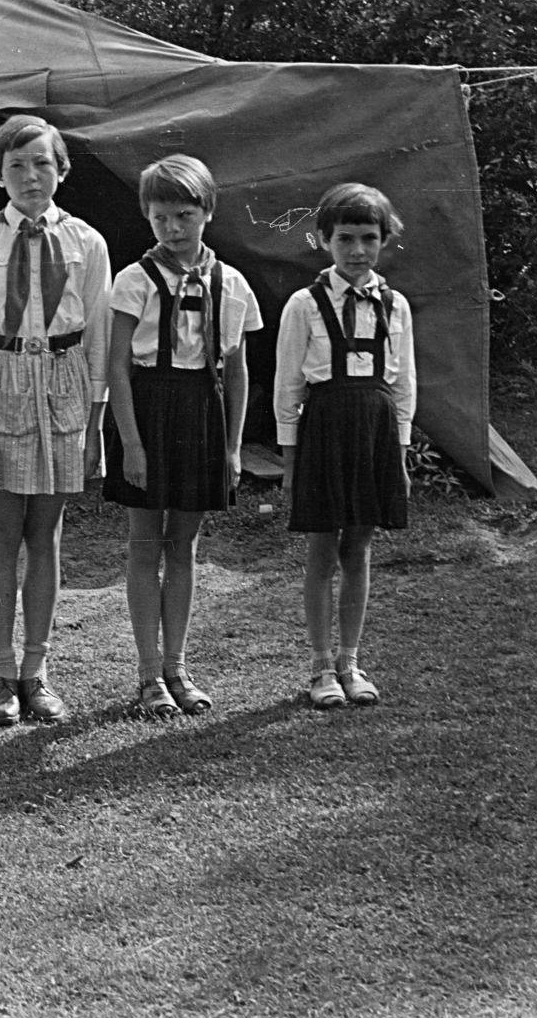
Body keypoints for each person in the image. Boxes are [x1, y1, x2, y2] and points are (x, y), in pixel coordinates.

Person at [0, 115, 109, 727]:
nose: (29, 176)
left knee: (46, 532)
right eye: (16, 166)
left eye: (42, 163)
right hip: (2, 377)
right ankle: (0, 672)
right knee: (2, 527)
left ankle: (36, 671)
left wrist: (97, 418)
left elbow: (99, 332)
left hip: (65, 377)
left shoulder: (87, 242)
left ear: (62, 170)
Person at [104, 154, 260, 717]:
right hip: (149, 407)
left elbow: (237, 368)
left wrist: (234, 446)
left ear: (207, 212)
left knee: (185, 544)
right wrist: (134, 444)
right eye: (161, 217)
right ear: (148, 217)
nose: (173, 228)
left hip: (202, 411)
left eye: (184, 215)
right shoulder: (134, 280)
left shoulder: (232, 282)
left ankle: (178, 666)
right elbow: (117, 365)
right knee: (145, 541)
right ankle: (149, 674)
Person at [275, 183, 414, 709]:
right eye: (345, 239)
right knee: (321, 548)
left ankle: (350, 661)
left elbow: (404, 386)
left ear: (384, 240)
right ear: (323, 240)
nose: (358, 251)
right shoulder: (304, 305)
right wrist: (290, 459)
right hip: (326, 428)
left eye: (369, 238)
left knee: (358, 547)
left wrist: (398, 455)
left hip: (375, 430)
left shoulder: (394, 305)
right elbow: (288, 384)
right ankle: (319, 666)